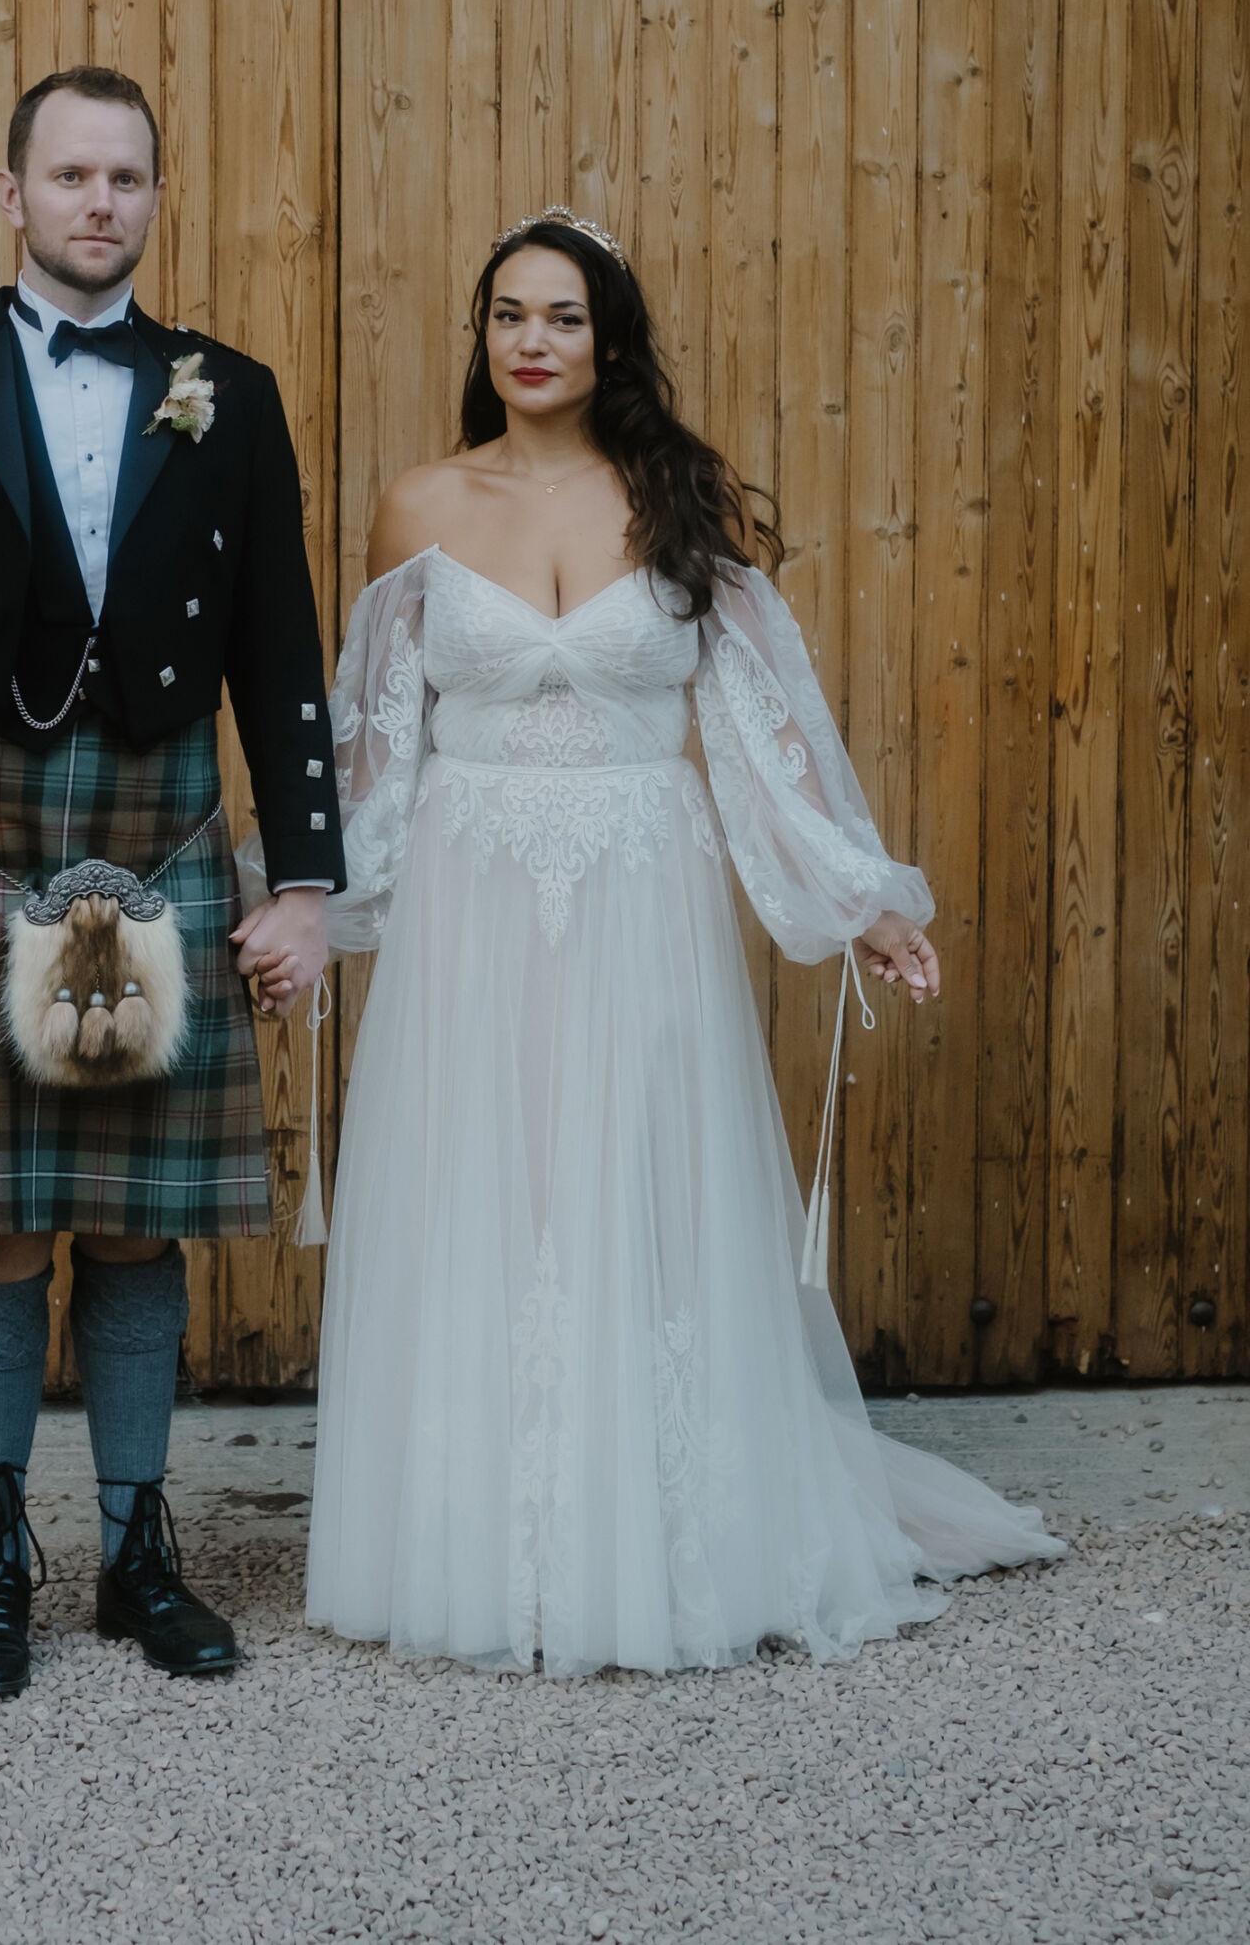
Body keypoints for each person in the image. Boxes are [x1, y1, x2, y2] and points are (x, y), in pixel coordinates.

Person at [261, 208, 1062, 1677]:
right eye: (509, 314)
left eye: (563, 316)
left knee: (638, 1175)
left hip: (645, 885)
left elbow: (767, 733)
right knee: (488, 1182)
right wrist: (308, 902)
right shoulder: (420, 505)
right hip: (472, 893)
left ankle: (664, 1528)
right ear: (483, 335)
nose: (533, 342)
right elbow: (368, 744)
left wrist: (859, 900)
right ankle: (482, 1533)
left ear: (609, 337)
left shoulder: (675, 502)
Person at [0, 65, 338, 1698]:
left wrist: (306, 878)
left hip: (163, 838)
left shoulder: (228, 397)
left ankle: (133, 1554)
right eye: (70, 174)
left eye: (127, 178)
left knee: (130, 1228)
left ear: (153, 200)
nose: (99, 203)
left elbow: (282, 656)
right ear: (10, 194)